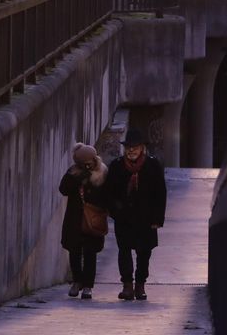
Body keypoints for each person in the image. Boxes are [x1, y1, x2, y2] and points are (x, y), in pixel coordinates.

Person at [106, 129, 167, 301]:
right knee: (124, 250)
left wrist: (157, 219)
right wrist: (114, 211)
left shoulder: (153, 165)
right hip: (124, 217)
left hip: (146, 218)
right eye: (128, 148)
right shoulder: (117, 166)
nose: (131, 151)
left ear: (142, 149)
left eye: (135, 148)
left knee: (144, 252)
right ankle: (127, 285)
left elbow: (160, 194)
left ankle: (140, 285)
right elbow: (110, 192)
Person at [59, 142, 111, 299]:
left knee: (90, 253)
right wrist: (78, 178)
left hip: (93, 217)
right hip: (75, 218)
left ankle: (88, 285)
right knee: (74, 251)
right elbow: (63, 189)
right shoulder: (73, 172)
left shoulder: (102, 173)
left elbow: (107, 194)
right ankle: (77, 281)